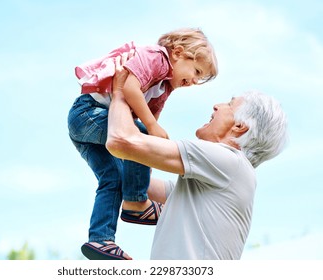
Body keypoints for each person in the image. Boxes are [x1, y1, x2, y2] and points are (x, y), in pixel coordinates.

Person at [105, 56, 288, 260]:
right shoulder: (215, 180)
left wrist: (121, 91)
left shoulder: (229, 161)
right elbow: (134, 182)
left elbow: (120, 141)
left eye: (229, 104)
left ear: (239, 126)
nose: (217, 106)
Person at [68, 28, 218, 260]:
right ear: (178, 53)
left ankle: (100, 240)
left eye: (200, 79)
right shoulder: (157, 57)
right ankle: (135, 202)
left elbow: (147, 126)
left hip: (97, 127)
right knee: (140, 135)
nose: (195, 81)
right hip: (88, 113)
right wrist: (150, 128)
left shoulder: (164, 88)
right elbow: (129, 88)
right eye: (196, 71)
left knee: (113, 177)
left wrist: (152, 135)